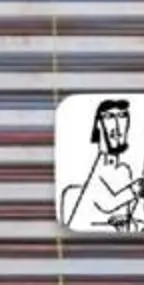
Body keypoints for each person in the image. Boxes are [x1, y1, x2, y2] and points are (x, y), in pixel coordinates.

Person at [58, 99, 137, 231]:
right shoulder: (99, 166)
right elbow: (107, 203)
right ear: (99, 124)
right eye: (109, 117)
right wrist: (139, 188)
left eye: (122, 116)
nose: (117, 125)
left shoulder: (124, 170)